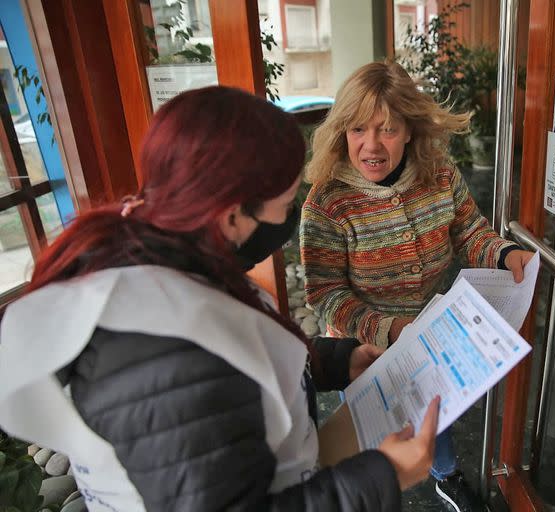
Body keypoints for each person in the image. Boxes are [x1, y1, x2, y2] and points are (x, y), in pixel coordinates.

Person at [0, 86, 441, 511]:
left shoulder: (160, 253)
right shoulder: (166, 353)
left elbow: (233, 361)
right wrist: (383, 475)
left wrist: (331, 361)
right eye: (286, 204)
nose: (290, 217)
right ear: (233, 214)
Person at [300, 61, 534, 511]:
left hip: (430, 330)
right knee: (375, 437)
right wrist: (388, 330)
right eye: (357, 130)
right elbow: (326, 296)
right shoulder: (326, 203)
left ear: (410, 130)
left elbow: (469, 231)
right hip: (361, 347)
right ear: (341, 132)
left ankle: (446, 475)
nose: (370, 146)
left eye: (387, 130)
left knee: (434, 417)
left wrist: (505, 254)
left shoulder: (439, 173)